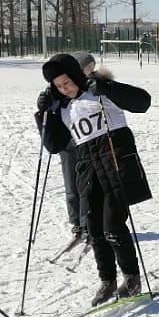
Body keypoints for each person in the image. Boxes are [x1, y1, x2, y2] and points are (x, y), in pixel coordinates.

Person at [35, 54, 152, 306]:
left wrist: (107, 87)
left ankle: (132, 277)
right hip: (87, 168)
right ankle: (107, 280)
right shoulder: (63, 109)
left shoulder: (98, 92)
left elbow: (143, 102)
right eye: (58, 86)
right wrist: (43, 114)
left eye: (67, 82)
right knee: (94, 231)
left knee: (113, 227)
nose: (64, 89)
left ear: (76, 76)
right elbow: (53, 145)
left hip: (115, 162)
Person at [36, 52, 97, 243]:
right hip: (68, 143)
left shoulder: (90, 85)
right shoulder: (57, 88)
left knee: (88, 185)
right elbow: (50, 108)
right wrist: (43, 105)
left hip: (88, 141)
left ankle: (88, 222)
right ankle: (77, 222)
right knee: (72, 184)